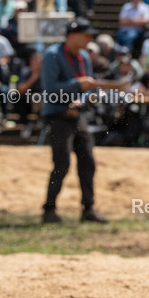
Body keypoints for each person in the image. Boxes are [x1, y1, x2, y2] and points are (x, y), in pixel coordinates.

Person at [40, 18, 115, 224]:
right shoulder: (52, 55)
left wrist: (81, 101)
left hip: (77, 115)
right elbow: (50, 89)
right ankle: (49, 209)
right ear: (73, 35)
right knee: (61, 163)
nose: (89, 39)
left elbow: (88, 88)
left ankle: (88, 208)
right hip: (58, 115)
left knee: (88, 160)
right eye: (86, 35)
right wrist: (77, 85)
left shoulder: (83, 57)